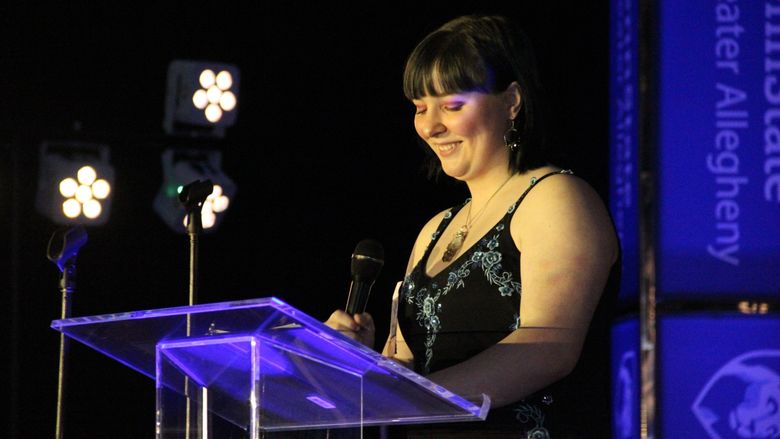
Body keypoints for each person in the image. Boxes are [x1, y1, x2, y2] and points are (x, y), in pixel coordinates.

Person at [327, 14, 620, 438]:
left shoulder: (555, 199)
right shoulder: (433, 230)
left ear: (511, 102)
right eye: (420, 108)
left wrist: (402, 397)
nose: (430, 126)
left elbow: (548, 350)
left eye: (452, 106)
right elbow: (405, 370)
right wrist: (356, 363)